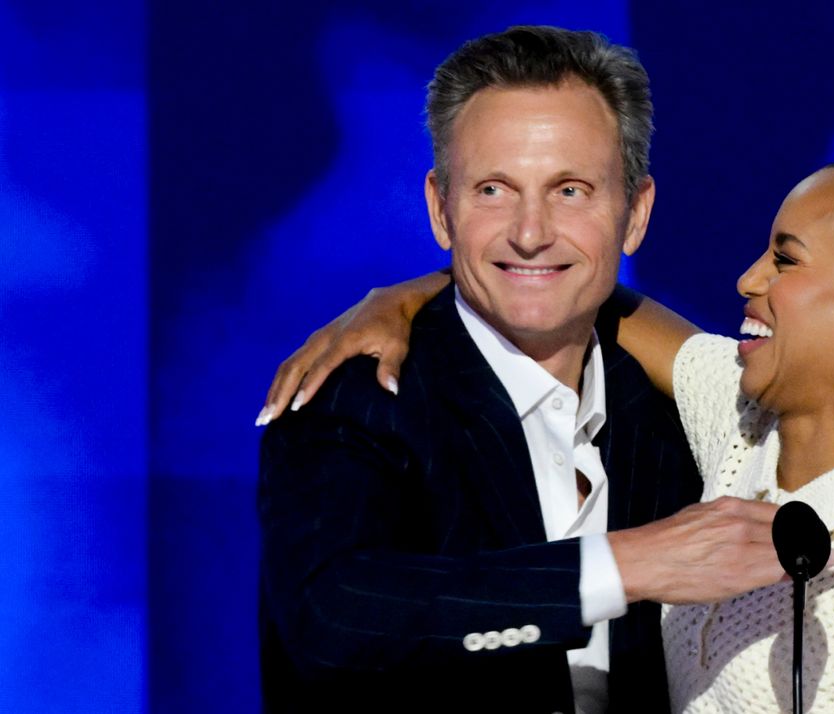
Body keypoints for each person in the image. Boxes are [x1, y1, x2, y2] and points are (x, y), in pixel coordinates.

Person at [263, 155, 834, 712]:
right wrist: (403, 299)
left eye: (785, 258)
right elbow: (580, 290)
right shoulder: (734, 414)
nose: (745, 279)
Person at [257, 26, 797, 714]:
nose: (531, 230)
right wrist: (621, 565)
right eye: (492, 190)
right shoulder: (356, 394)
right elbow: (333, 617)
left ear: (634, 214)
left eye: (570, 190)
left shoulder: (681, 409)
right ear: (440, 209)